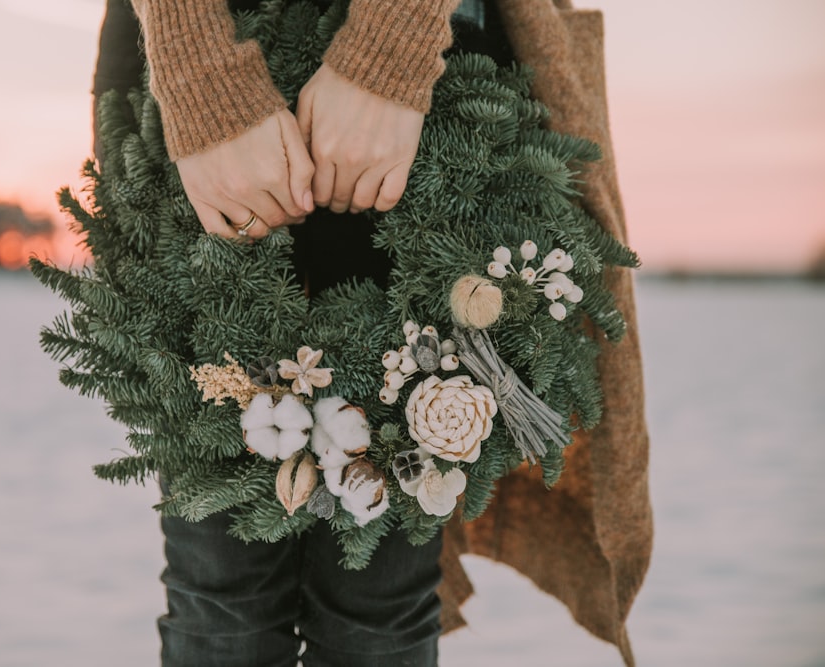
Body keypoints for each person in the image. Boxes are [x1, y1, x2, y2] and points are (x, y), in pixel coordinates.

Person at [92, 1, 652, 666]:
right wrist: (200, 75)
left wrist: (393, 46)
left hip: (426, 84)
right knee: (221, 594)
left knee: (376, 607)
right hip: (192, 75)